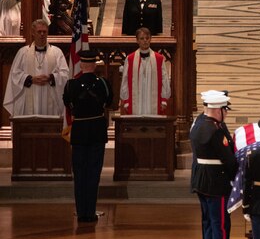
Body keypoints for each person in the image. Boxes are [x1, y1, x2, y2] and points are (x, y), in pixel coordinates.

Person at [189, 91, 237, 239]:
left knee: (208, 224)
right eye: (225, 110)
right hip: (217, 183)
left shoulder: (198, 123)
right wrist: (236, 177)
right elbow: (229, 160)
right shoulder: (216, 131)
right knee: (221, 227)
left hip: (201, 180)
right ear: (219, 111)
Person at [62, 51, 115, 224]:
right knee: (93, 173)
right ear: (94, 65)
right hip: (97, 132)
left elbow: (67, 103)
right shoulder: (103, 84)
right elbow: (109, 102)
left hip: (79, 132)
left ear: (81, 66)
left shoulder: (71, 85)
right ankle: (90, 212)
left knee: (80, 173)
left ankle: (81, 212)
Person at [3, 19, 68, 117]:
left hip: (50, 97)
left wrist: (51, 78)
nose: (42, 34)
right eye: (39, 32)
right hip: (29, 94)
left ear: (47, 33)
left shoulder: (57, 52)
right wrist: (30, 79)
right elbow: (14, 74)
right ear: (33, 33)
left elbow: (65, 74)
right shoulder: (23, 52)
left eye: (44, 32)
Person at [120, 28, 171, 115]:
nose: (145, 41)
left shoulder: (159, 58)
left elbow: (164, 79)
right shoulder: (130, 59)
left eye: (147, 38)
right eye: (142, 38)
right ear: (137, 40)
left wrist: (163, 100)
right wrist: (126, 100)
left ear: (150, 39)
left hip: (153, 102)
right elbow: (125, 80)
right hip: (136, 101)